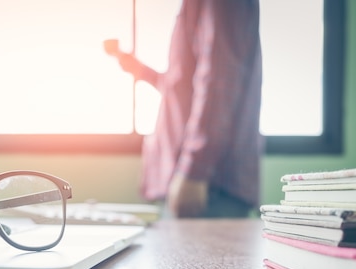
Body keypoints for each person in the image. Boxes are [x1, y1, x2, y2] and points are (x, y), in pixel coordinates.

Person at [106, 0, 262, 218]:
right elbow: (183, 87)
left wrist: (194, 170)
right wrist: (140, 70)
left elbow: (220, 81)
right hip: (202, 183)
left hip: (209, 186)